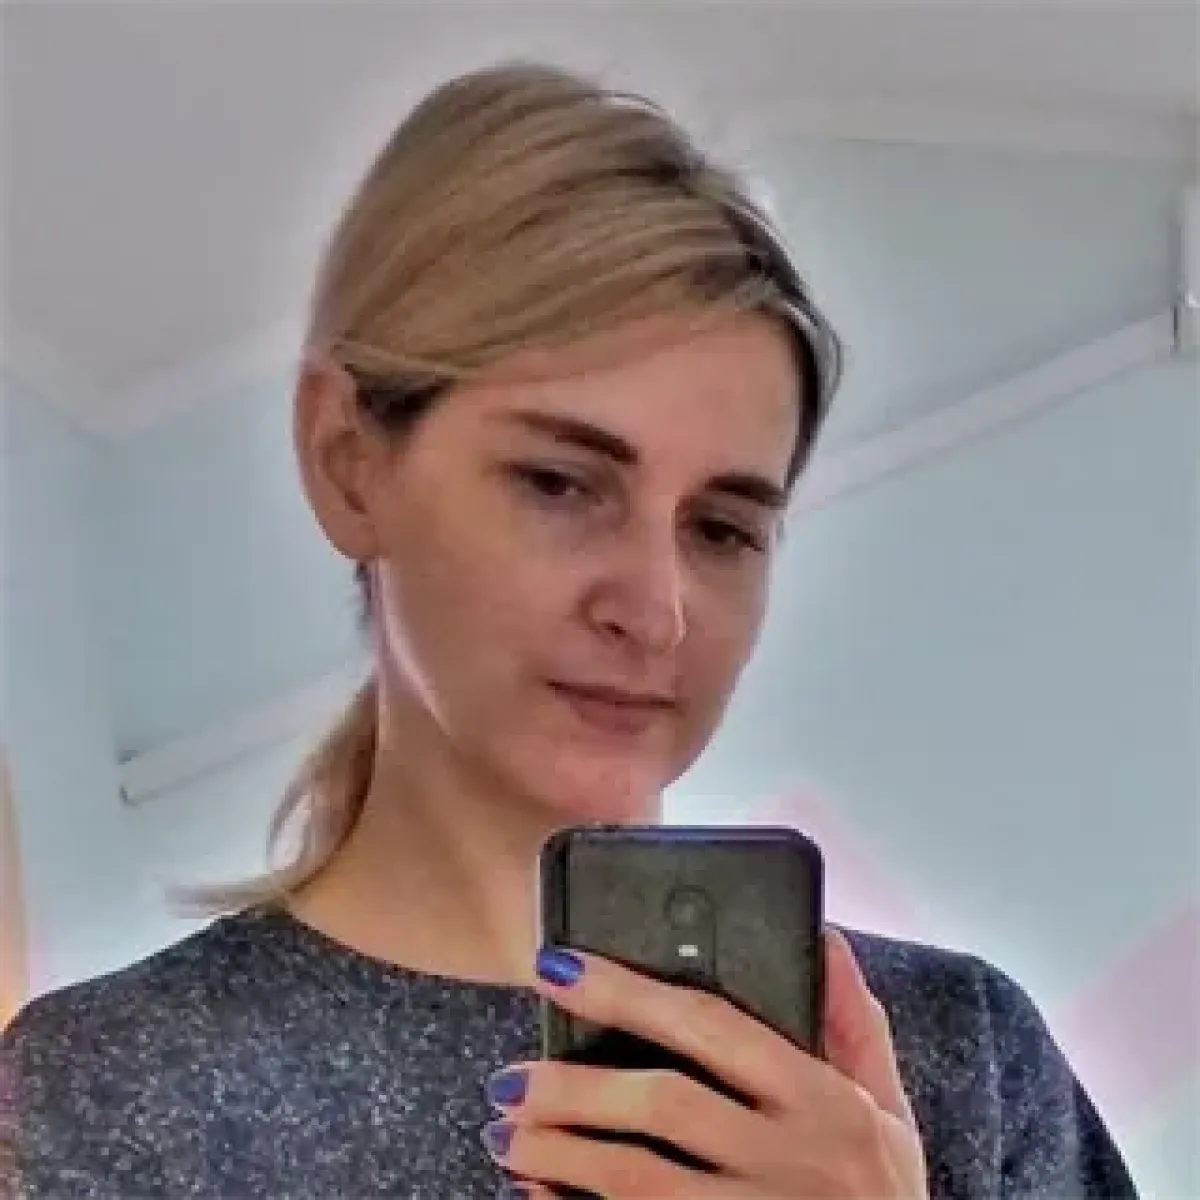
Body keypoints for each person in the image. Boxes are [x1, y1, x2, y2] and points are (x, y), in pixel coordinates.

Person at [1, 63, 1139, 1199]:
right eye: (559, 483)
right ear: (347, 462)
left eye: (724, 528)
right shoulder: (97, 1099)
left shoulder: (961, 1060)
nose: (655, 611)